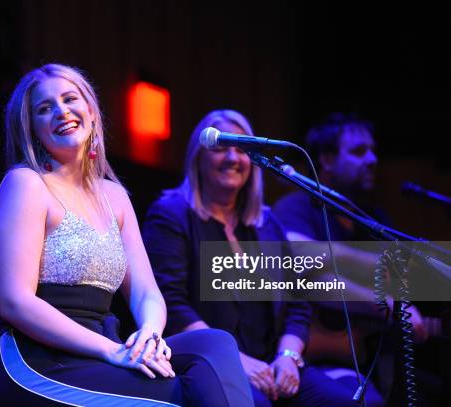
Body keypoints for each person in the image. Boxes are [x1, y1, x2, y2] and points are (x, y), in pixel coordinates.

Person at [0, 64, 254, 406]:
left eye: (69, 99)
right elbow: (15, 303)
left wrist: (150, 335)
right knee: (178, 391)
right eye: (44, 108)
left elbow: (146, 292)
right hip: (38, 358)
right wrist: (112, 351)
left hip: (102, 346)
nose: (61, 111)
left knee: (215, 345)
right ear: (32, 128)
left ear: (92, 112)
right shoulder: (26, 184)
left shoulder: (114, 196)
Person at [142, 109, 384, 407]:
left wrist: (288, 357)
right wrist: (234, 361)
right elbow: (172, 303)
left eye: (242, 149)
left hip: (273, 362)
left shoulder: (266, 224)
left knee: (343, 402)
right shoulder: (171, 215)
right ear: (198, 157)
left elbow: (298, 302)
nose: (233, 157)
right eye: (221, 148)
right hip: (207, 362)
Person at [272, 112, 441, 405]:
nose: (373, 160)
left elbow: (394, 279)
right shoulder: (296, 207)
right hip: (314, 360)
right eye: (359, 151)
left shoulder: (373, 220)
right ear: (325, 159)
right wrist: (385, 302)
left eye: (373, 151)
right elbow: (308, 274)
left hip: (373, 363)